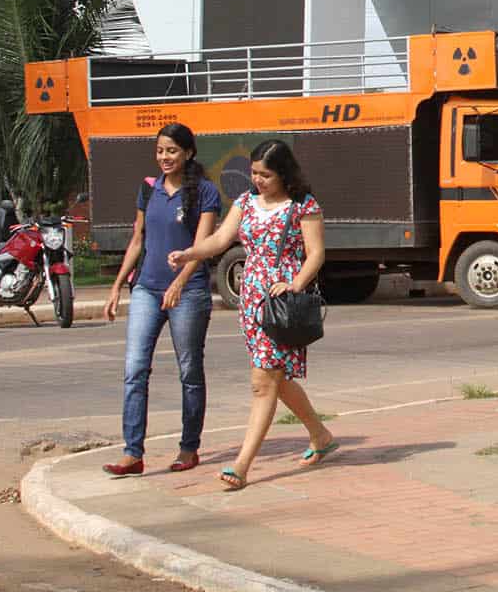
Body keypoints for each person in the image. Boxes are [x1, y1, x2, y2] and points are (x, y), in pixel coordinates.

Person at [168, 139, 336, 491]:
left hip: (282, 304)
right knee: (275, 378)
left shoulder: (303, 205)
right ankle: (320, 435)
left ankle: (242, 465)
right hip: (251, 301)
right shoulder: (245, 203)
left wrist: (295, 283)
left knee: (263, 382)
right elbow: (220, 240)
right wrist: (189, 254)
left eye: (266, 175)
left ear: (284, 174)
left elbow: (316, 253)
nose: (258, 180)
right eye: (254, 173)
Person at [102, 123, 222, 477]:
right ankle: (132, 453)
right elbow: (138, 239)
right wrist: (117, 285)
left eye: (171, 150)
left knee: (189, 370)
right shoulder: (148, 188)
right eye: (160, 151)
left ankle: (189, 448)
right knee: (134, 369)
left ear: (188, 153)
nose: (165, 157)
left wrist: (180, 282)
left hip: (189, 291)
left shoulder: (205, 192)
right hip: (147, 289)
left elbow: (202, 247)